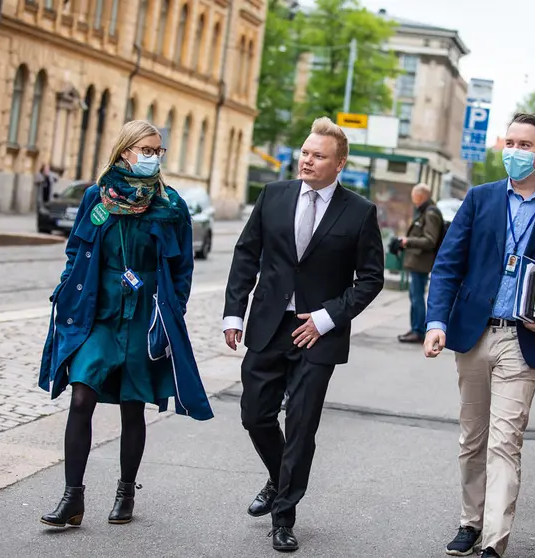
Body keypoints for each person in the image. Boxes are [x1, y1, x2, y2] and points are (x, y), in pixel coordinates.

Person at [424, 113, 535, 557]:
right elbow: (447, 267)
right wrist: (436, 323)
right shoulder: (479, 199)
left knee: (504, 441)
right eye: (509, 142)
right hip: (474, 336)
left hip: (523, 340)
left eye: (523, 144)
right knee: (472, 438)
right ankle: (469, 521)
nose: (513, 151)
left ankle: (493, 543)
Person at [38, 120, 213, 529]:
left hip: (143, 317)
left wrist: (172, 311)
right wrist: (68, 289)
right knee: (82, 397)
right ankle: (72, 498)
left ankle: (125, 491)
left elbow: (183, 266)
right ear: (124, 152)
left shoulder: (171, 206)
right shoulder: (94, 198)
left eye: (158, 151)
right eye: (146, 150)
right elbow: (76, 250)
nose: (153, 157)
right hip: (99, 316)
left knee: (133, 406)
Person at [222, 117, 384, 552]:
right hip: (269, 326)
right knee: (254, 415)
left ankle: (284, 516)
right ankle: (280, 479)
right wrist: (233, 314)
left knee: (300, 425)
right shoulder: (274, 195)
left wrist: (327, 318)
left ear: (340, 164)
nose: (308, 160)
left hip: (318, 335)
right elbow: (246, 255)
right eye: (306, 153)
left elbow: (370, 279)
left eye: (318, 156)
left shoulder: (360, 212)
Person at [397, 183, 444, 344]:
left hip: (421, 263)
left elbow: (430, 240)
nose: (412, 198)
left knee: (417, 297)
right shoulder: (425, 211)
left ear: (420, 196)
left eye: (414, 195)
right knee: (414, 296)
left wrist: (408, 241)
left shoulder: (430, 213)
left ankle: (418, 330)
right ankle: (415, 328)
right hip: (417, 262)